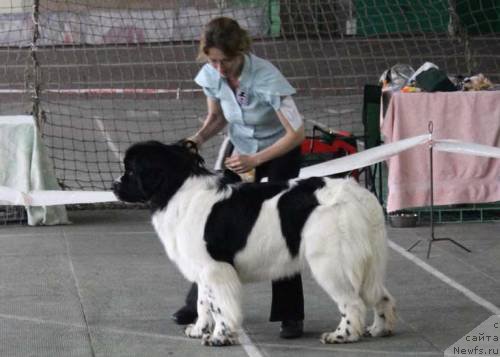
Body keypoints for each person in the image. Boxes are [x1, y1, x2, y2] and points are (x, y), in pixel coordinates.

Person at [171, 16, 306, 339]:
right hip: (240, 153)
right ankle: (198, 305)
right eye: (213, 60)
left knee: (280, 228)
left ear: (241, 51)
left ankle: (291, 314)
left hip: (278, 153)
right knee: (210, 226)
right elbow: (216, 118)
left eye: (225, 61)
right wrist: (198, 139)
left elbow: (297, 133)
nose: (220, 68)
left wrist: (256, 160)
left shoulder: (267, 77)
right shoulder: (211, 76)